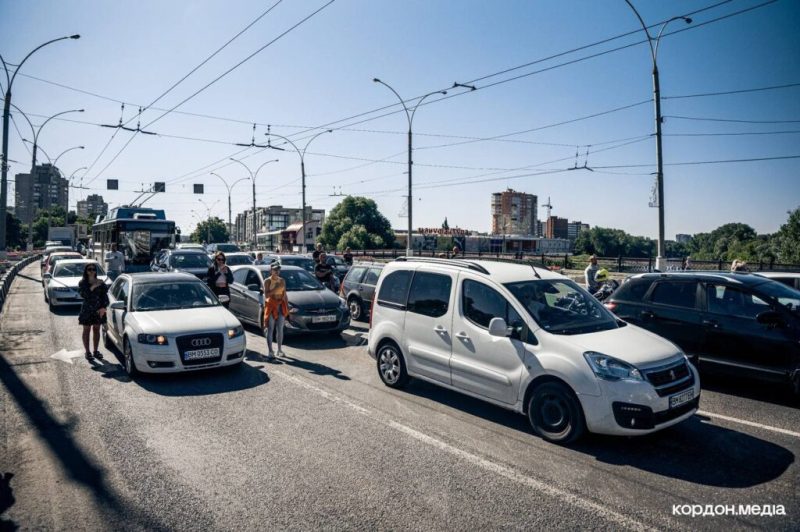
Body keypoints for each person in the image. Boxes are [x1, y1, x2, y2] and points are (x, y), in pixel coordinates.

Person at [78, 263, 109, 361]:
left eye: (93, 269)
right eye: (89, 269)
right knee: (86, 331)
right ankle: (87, 352)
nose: (91, 271)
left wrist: (104, 307)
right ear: (86, 271)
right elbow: (84, 295)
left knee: (96, 330)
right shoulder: (82, 283)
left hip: (98, 310)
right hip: (87, 310)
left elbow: (105, 296)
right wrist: (94, 285)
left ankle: (95, 351)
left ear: (96, 271)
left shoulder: (101, 282)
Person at [263, 263, 289, 359]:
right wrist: (275, 288)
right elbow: (266, 295)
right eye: (275, 270)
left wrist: (287, 306)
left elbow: (284, 294)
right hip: (271, 306)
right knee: (270, 329)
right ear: (271, 271)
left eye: (278, 270)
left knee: (280, 329)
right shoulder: (267, 281)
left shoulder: (282, 280)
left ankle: (279, 350)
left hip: (280, 305)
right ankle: (270, 351)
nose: (277, 271)